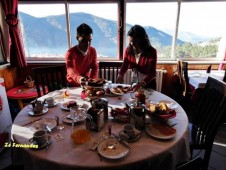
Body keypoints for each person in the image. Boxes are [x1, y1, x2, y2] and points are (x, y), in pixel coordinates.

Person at [117, 25, 157, 91]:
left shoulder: (151, 52)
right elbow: (125, 65)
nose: (132, 44)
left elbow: (152, 73)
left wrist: (141, 84)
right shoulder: (128, 50)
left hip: (148, 84)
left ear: (142, 40)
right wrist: (120, 74)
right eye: (130, 41)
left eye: (135, 41)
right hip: (134, 81)